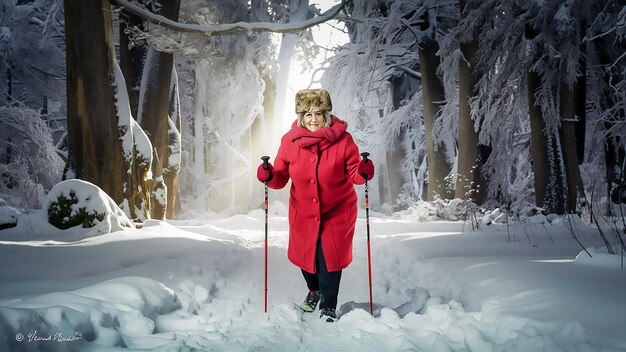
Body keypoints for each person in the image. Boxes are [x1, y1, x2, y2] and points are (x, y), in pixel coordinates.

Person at [256, 89, 374, 322]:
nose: (313, 119)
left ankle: (328, 305)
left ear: (326, 114)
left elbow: (354, 172)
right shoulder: (289, 141)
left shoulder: (343, 140)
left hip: (338, 209)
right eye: (307, 114)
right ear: (301, 117)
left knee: (329, 257)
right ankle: (314, 290)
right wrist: (268, 175)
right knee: (307, 257)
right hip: (303, 211)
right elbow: (280, 176)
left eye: (318, 113)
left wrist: (363, 172)